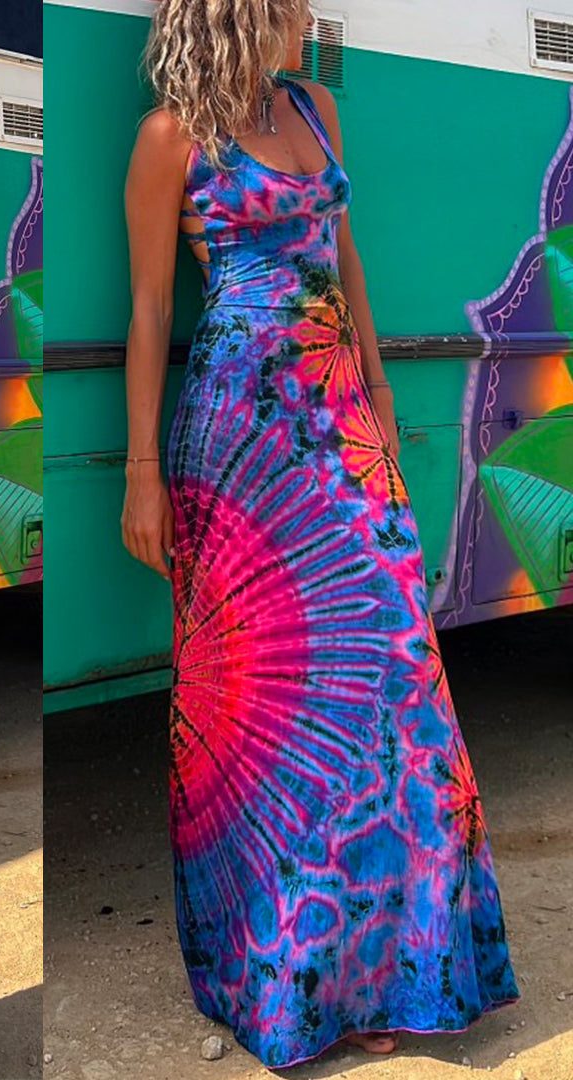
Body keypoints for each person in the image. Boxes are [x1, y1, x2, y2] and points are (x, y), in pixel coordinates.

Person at [120, 0, 520, 1068]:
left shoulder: (315, 108)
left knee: (392, 668)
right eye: (295, 3)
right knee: (267, 696)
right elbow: (151, 309)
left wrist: (381, 396)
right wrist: (141, 474)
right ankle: (288, 976)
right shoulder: (170, 138)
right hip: (237, 437)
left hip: (338, 418)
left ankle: (397, 966)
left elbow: (348, 263)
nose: (311, 15)